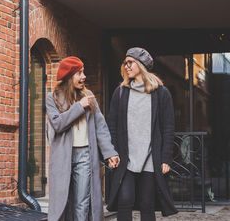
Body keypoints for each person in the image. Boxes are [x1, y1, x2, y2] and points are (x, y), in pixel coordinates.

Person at [106, 47, 178, 220]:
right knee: (125, 199)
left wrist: (166, 158)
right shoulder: (121, 92)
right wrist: (112, 152)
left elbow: (168, 128)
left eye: (130, 62)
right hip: (126, 158)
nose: (127, 66)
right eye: (125, 63)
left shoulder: (161, 93)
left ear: (141, 64)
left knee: (147, 203)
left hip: (150, 159)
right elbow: (112, 126)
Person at [46, 56, 120, 221]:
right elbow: (58, 124)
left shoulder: (89, 96)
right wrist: (79, 107)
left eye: (83, 72)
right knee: (62, 202)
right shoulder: (52, 98)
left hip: (86, 155)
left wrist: (110, 153)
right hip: (62, 156)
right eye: (79, 73)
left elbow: (101, 127)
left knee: (82, 202)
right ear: (68, 76)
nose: (83, 76)